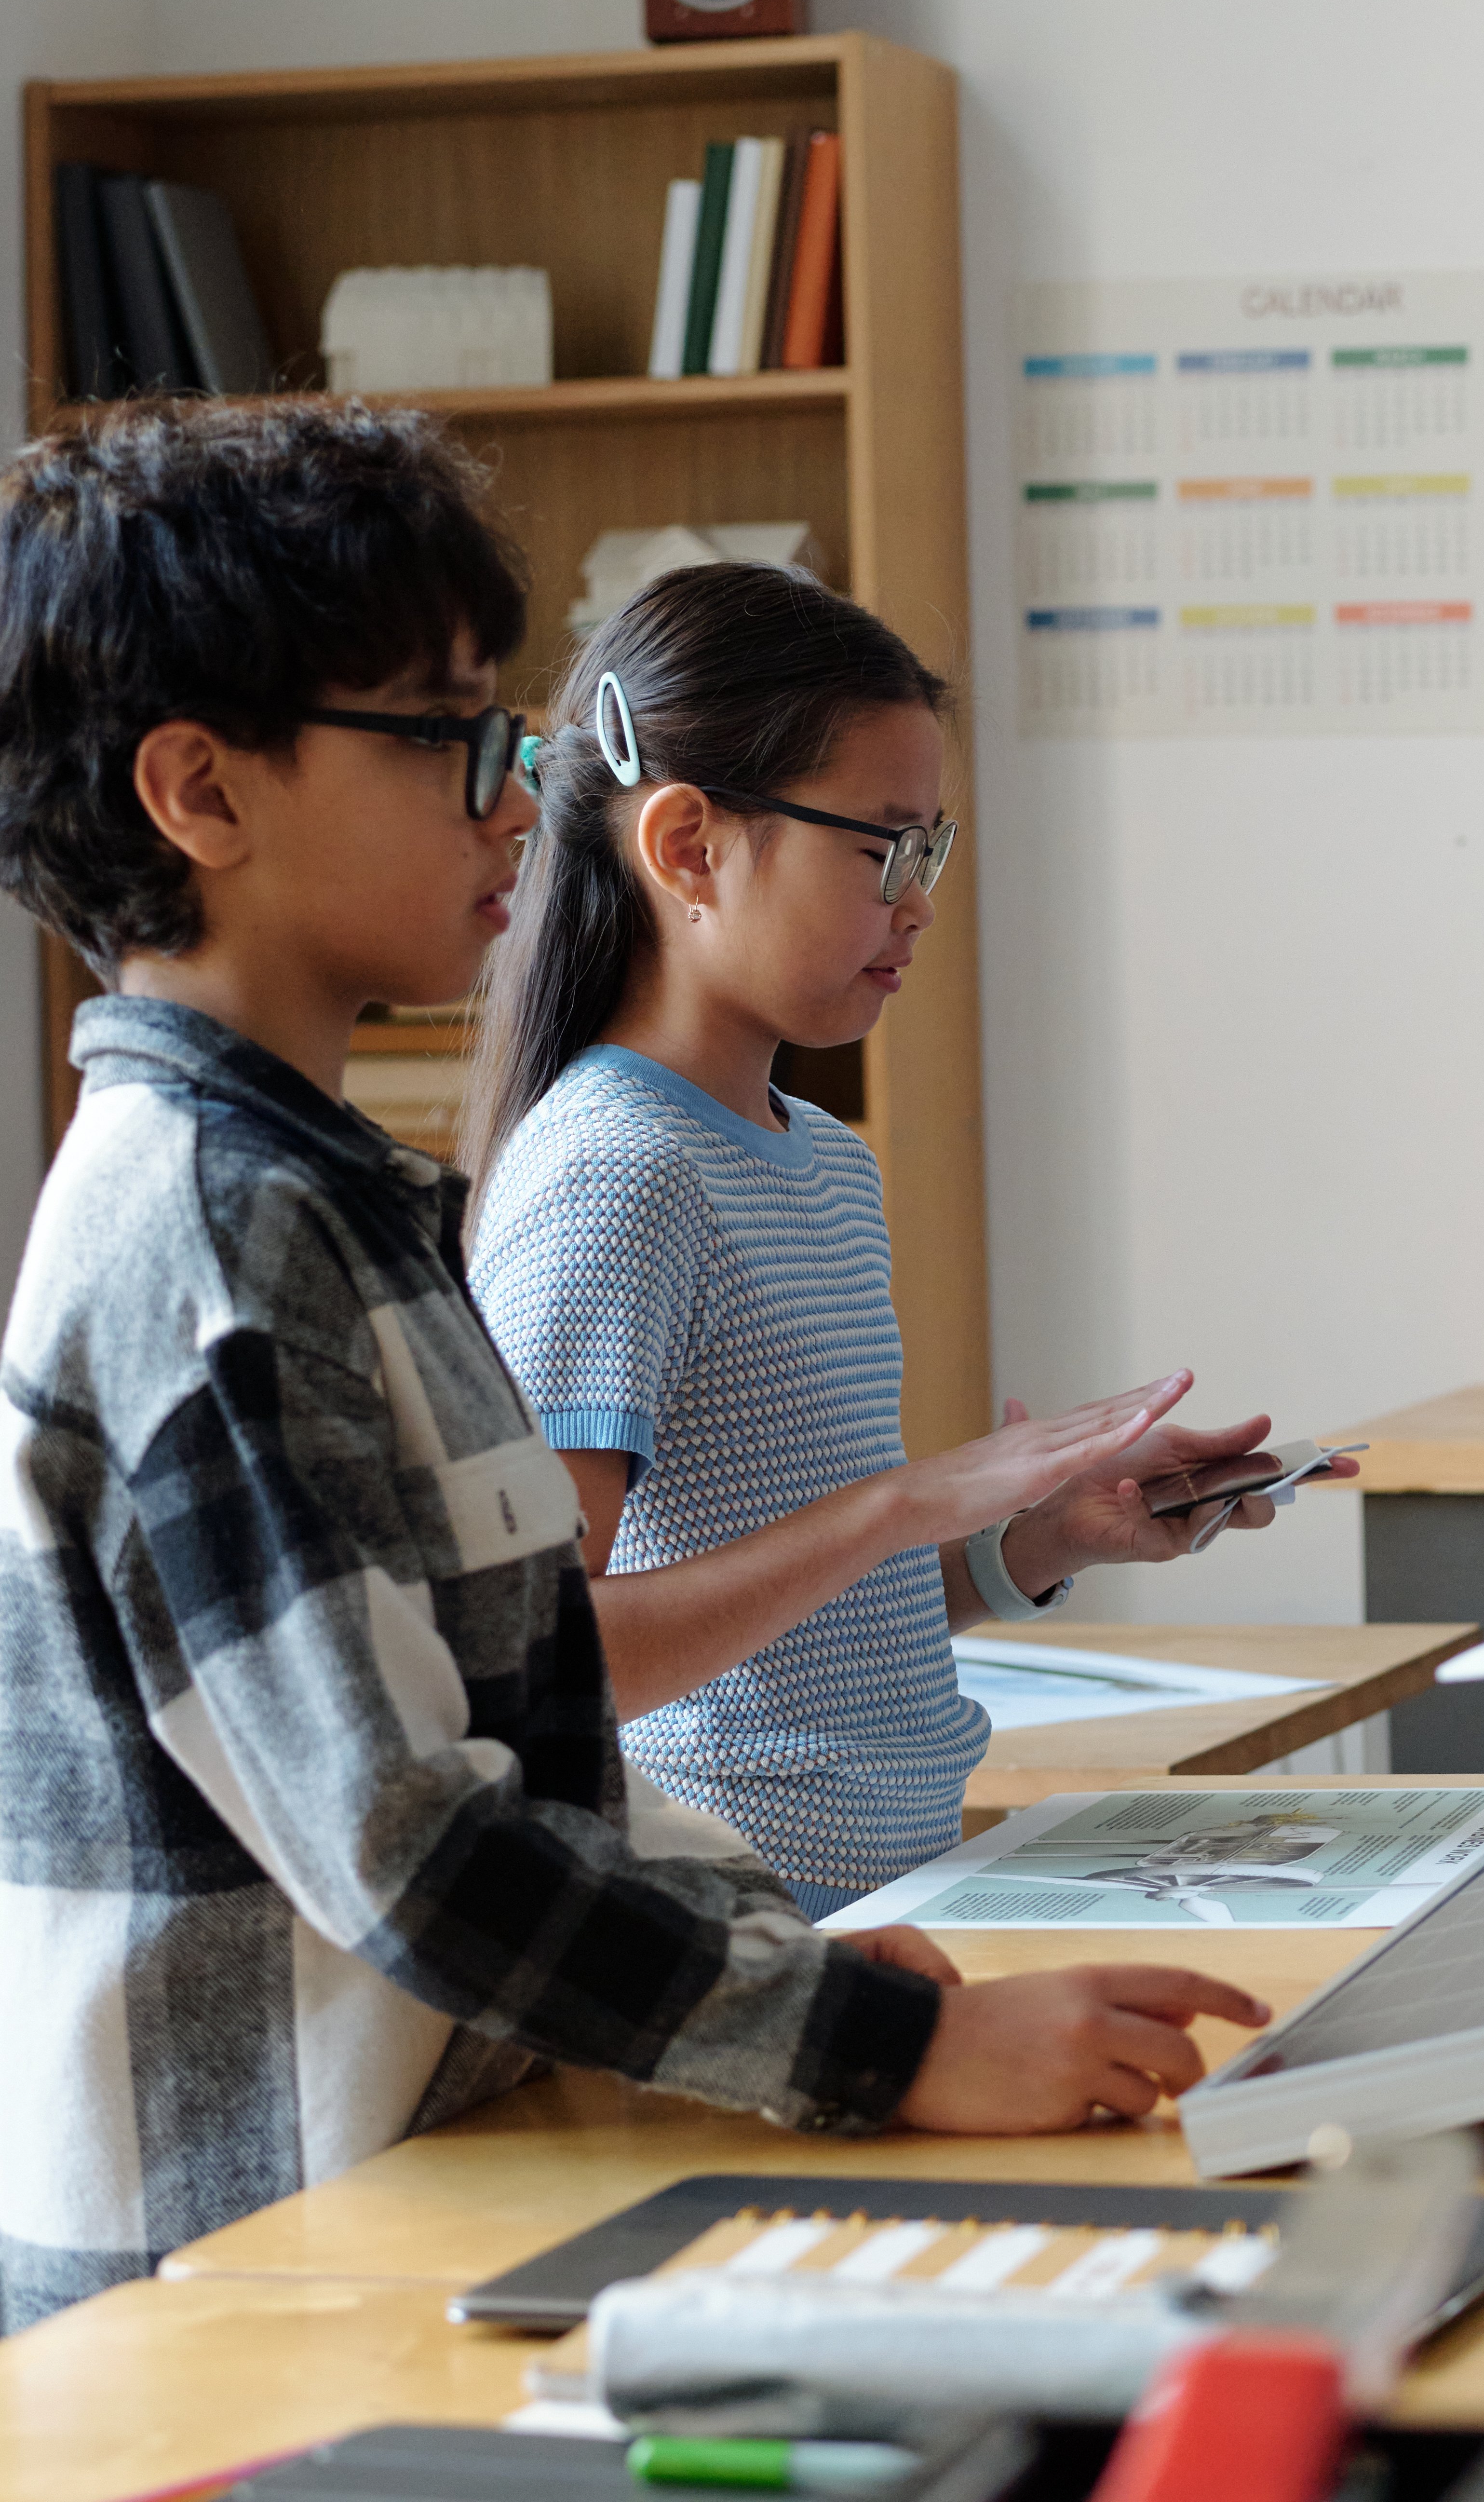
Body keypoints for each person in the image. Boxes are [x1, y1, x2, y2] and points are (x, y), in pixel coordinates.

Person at [0, 401, 1267, 2326]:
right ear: (202, 791)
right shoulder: (209, 1247)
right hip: (247, 2263)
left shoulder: (344, 1207)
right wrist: (875, 2047)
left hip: (428, 2171)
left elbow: (542, 1710)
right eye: (453, 739)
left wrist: (784, 1953)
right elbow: (414, 1844)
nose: (512, 800)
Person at [465, 559, 1315, 1915]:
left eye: (935, 849)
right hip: (724, 1932)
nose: (920, 901)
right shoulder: (613, 1176)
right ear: (688, 848)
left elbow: (817, 1622)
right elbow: (546, 1661)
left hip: (889, 1899)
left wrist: (1031, 1542)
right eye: (885, 848)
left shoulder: (823, 1169)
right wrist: (903, 1501)